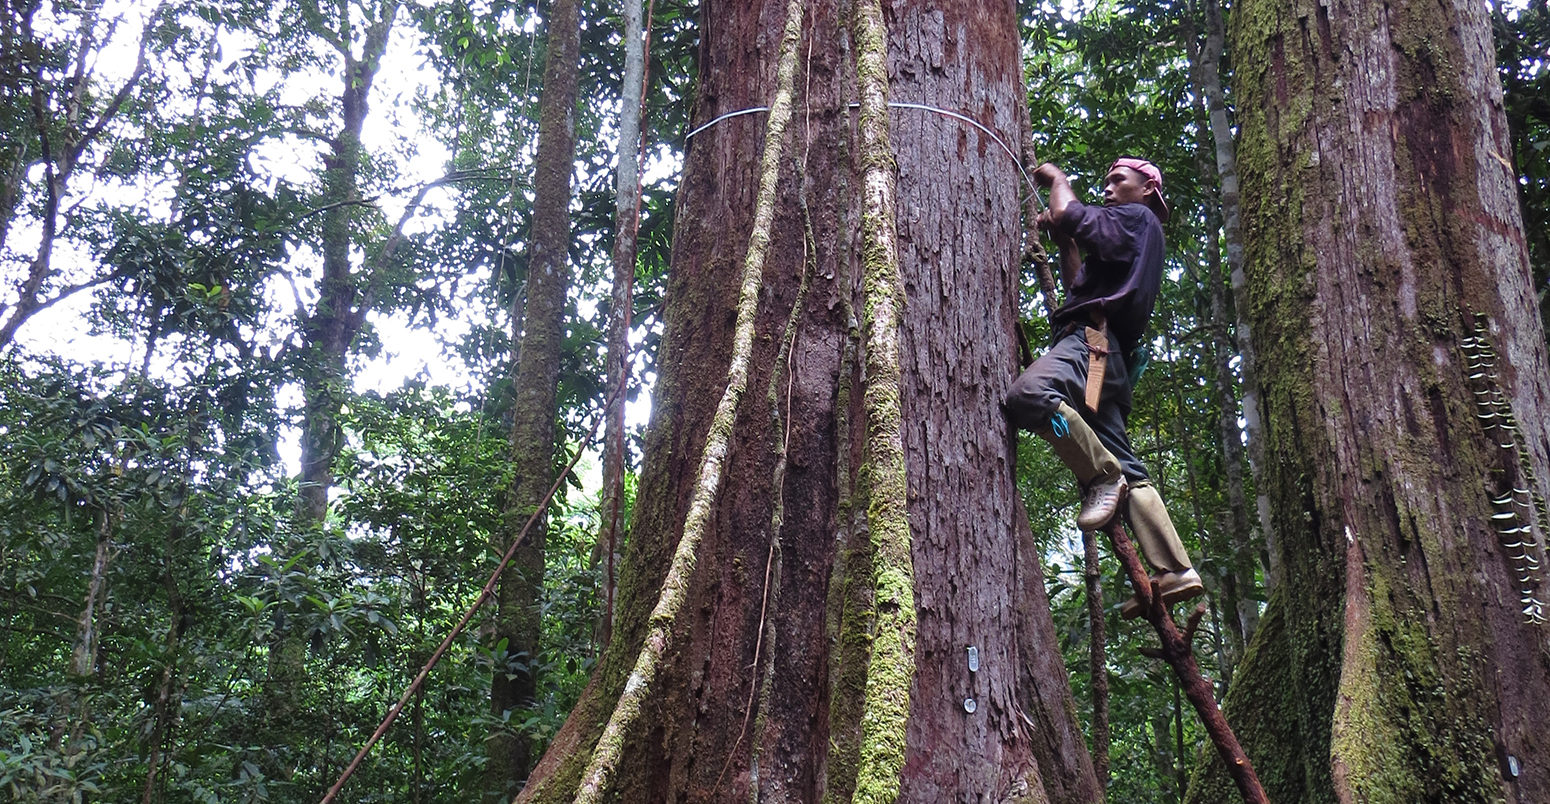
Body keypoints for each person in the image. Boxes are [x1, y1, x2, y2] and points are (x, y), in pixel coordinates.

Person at [1006, 156, 1203, 618]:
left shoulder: (1137, 218)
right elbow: (1080, 283)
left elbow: (1073, 213)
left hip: (1092, 345)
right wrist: (1066, 244)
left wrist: (1058, 181)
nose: (1110, 189)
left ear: (1149, 190)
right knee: (1132, 468)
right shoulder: (1138, 239)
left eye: (1120, 180)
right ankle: (1175, 568)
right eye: (1108, 181)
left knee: (1030, 397)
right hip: (1105, 360)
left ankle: (1100, 475)